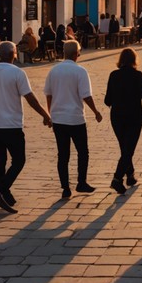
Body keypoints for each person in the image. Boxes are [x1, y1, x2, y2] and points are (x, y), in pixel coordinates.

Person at [0, 41, 52, 213]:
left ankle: (3, 194)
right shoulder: (17, 73)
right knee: (19, 160)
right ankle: (1, 189)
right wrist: (45, 115)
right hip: (11, 125)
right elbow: (30, 97)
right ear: (13, 54)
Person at [44, 40, 103, 199]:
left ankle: (65, 187)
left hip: (58, 119)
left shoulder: (53, 71)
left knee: (63, 154)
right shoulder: (80, 71)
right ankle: (81, 182)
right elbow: (86, 95)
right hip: (76, 118)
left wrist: (49, 114)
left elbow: (48, 95)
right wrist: (96, 111)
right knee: (83, 151)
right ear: (77, 54)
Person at [104, 47, 142, 194]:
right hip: (134, 117)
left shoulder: (113, 75)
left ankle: (130, 175)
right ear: (134, 60)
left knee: (125, 147)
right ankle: (117, 179)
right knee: (128, 149)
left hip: (117, 117)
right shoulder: (137, 75)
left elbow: (107, 100)